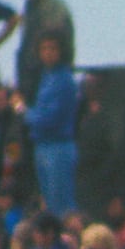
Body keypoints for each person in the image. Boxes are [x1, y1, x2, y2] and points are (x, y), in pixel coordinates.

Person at [20, 31, 76, 216]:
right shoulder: (46, 76)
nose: (48, 53)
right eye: (44, 48)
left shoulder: (64, 79)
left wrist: (24, 111)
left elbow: (49, 119)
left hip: (58, 147)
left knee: (61, 204)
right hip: (42, 145)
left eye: (52, 48)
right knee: (50, 203)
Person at [13, 0, 71, 99]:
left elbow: (53, 42)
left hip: (47, 78)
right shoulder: (30, 7)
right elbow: (25, 46)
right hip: (30, 79)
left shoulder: (54, 8)